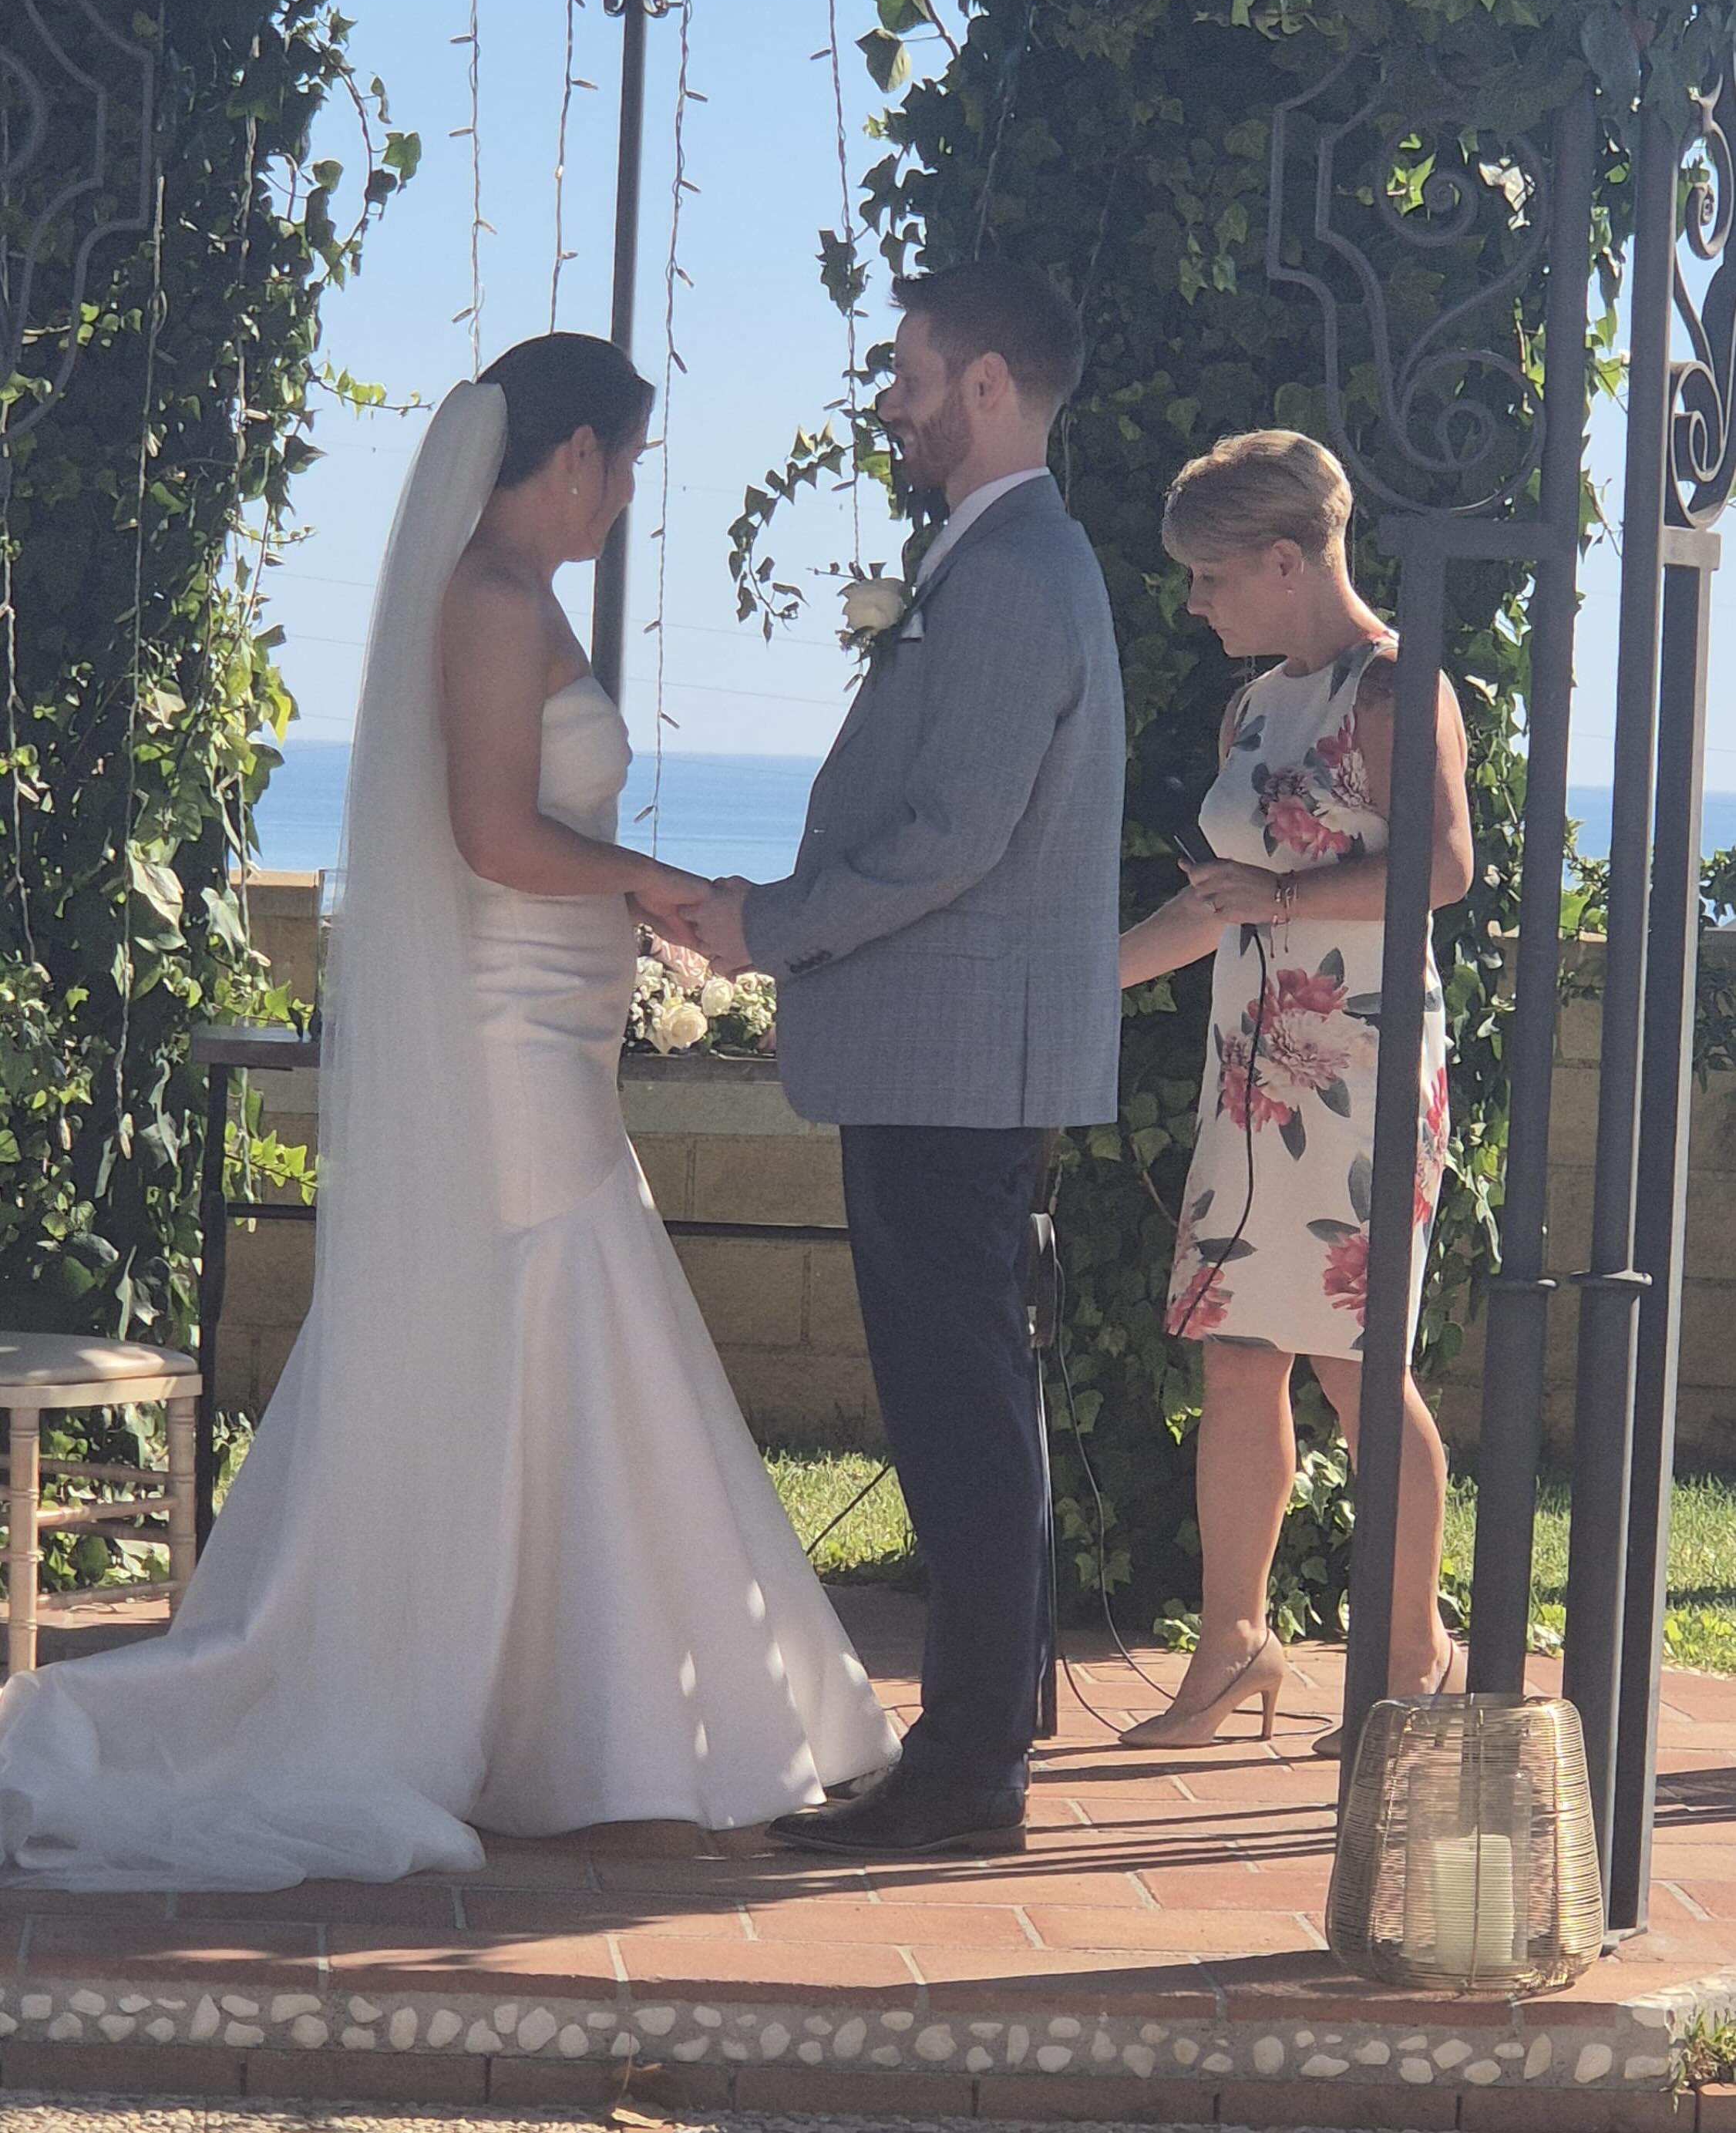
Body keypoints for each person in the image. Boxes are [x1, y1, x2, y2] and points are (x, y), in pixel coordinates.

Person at [0, 338, 895, 1889]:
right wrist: (651, 877)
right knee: (561, 1291)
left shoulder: (511, 595)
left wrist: (630, 894)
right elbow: (492, 834)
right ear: (569, 460)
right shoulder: (488, 600)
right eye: (622, 467)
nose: (622, 498)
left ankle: (572, 1715)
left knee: (549, 1309)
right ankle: (586, 1728)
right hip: (508, 1026)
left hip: (548, 1015)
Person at [690, 262, 1125, 1858]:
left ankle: (967, 1772)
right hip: (949, 1059)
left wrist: (771, 925)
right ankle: (981, 1732)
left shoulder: (1012, 577)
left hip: (956, 1065)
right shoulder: (998, 561)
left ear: (990, 387)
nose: (889, 400)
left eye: (910, 373)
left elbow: (952, 831)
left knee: (958, 1409)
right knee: (964, 1401)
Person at [1115, 429, 1472, 1755]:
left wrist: (1280, 900)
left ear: (1283, 558)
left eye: (1211, 578)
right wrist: (1088, 980)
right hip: (1249, 1075)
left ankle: (1409, 1654)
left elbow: (1439, 869)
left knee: (1355, 1366)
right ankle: (1234, 1647)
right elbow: (1216, 909)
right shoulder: (1254, 707)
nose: (1198, 603)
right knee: (1237, 1354)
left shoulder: (1395, 684)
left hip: (1363, 1072)